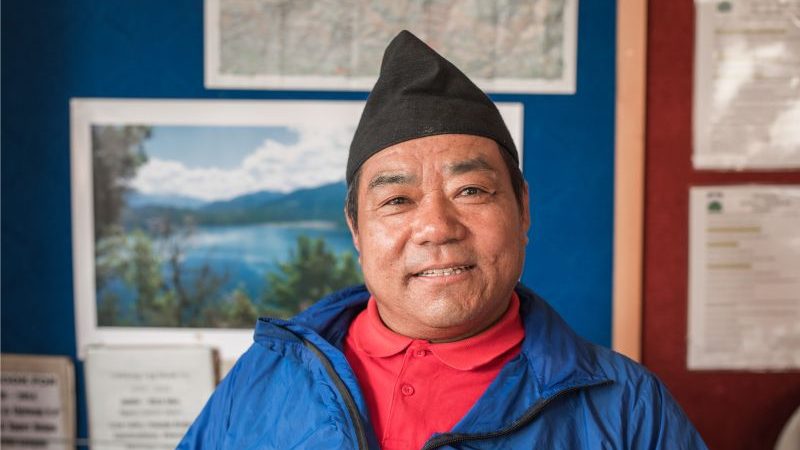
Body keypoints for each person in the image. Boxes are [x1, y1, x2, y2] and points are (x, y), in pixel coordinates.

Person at [178, 30, 707, 449]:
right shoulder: (269, 371)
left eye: (471, 189)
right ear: (356, 231)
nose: (436, 227)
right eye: (396, 200)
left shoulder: (628, 406)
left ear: (523, 208)